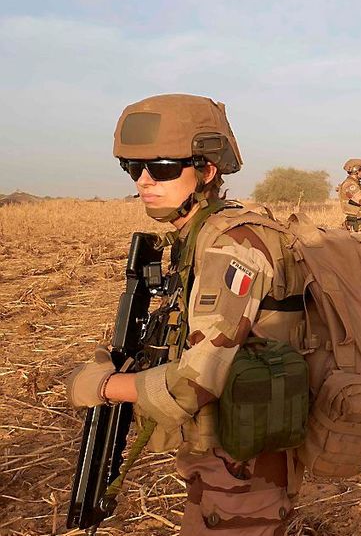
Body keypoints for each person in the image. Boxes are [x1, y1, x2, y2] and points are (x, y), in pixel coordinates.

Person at [65, 94, 303, 535]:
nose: (145, 180)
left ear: (207, 170)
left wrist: (101, 386)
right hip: (225, 450)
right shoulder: (197, 236)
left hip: (242, 463)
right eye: (133, 168)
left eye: (164, 168)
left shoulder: (231, 245)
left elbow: (196, 383)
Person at [337, 158, 361, 233]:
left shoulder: (355, 184)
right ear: (355, 170)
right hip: (357, 224)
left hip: (359, 221)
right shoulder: (350, 185)